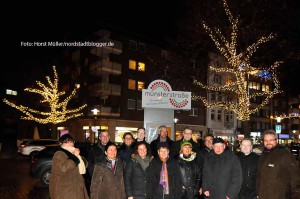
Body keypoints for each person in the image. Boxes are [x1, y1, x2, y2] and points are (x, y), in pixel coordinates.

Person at [256, 130, 300, 199]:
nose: (268, 143)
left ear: (276, 141)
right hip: (264, 194)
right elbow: (259, 175)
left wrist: (296, 196)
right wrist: (258, 192)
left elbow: (295, 178)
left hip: (279, 195)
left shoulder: (285, 155)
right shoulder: (264, 154)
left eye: (271, 140)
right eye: (266, 140)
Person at [49, 134, 89, 199]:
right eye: (67, 142)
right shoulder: (59, 154)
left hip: (76, 187)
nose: (70, 144)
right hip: (66, 190)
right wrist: (74, 156)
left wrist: (79, 157)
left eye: (71, 142)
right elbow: (63, 169)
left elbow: (85, 165)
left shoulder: (72, 152)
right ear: (61, 143)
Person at [196, 134, 214, 198]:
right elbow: (199, 170)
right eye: (206, 140)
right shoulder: (201, 153)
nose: (209, 142)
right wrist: (200, 186)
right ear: (204, 143)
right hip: (206, 183)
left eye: (210, 140)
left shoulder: (218, 151)